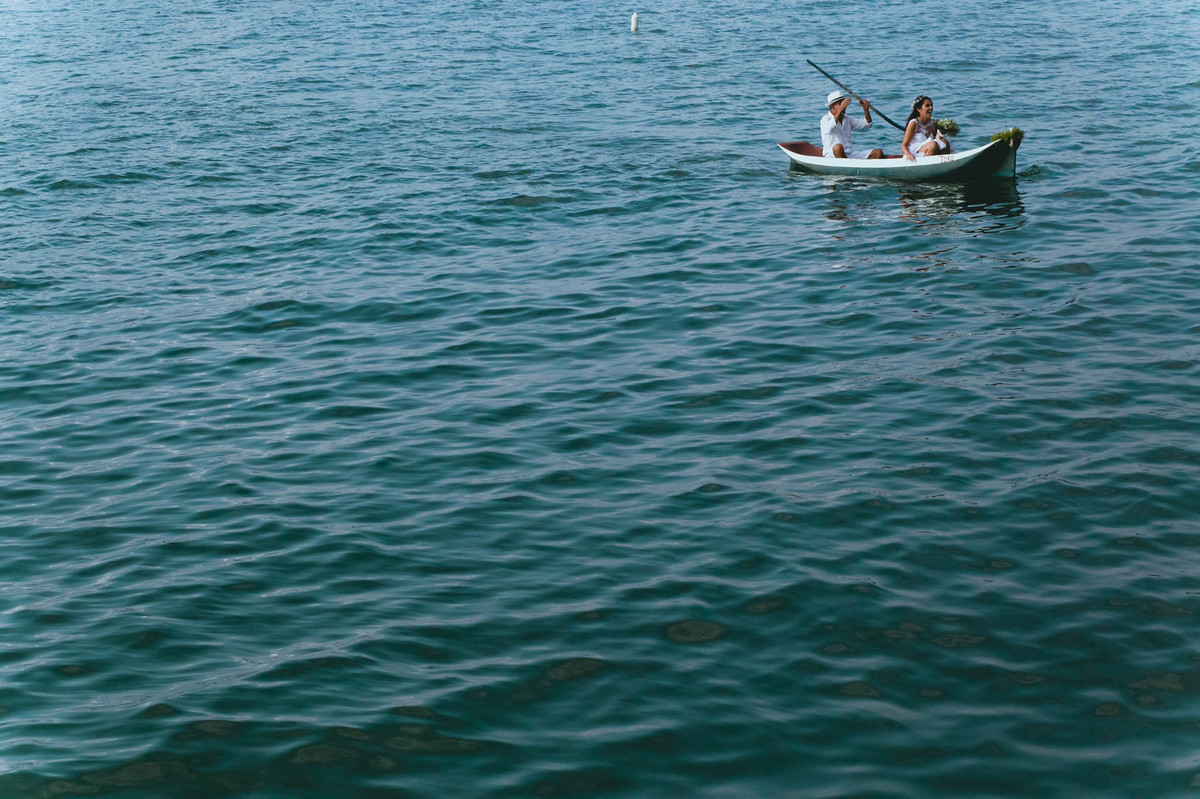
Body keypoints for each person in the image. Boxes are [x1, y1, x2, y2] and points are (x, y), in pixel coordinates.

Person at [820, 90, 883, 160]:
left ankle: (853, 164)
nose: (844, 107)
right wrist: (840, 110)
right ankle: (848, 164)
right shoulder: (825, 119)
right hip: (832, 156)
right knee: (838, 147)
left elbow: (867, 124)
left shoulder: (847, 119)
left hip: (849, 154)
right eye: (840, 104)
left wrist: (866, 110)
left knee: (878, 152)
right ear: (833, 106)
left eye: (844, 104)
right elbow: (828, 129)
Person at [901, 95, 952, 161]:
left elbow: (937, 139)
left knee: (945, 142)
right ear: (919, 109)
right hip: (916, 153)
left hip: (931, 150)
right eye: (927, 106)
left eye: (931, 105)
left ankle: (946, 163)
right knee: (933, 145)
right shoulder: (914, 123)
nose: (931, 108)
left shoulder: (933, 123)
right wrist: (908, 154)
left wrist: (942, 134)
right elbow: (904, 145)